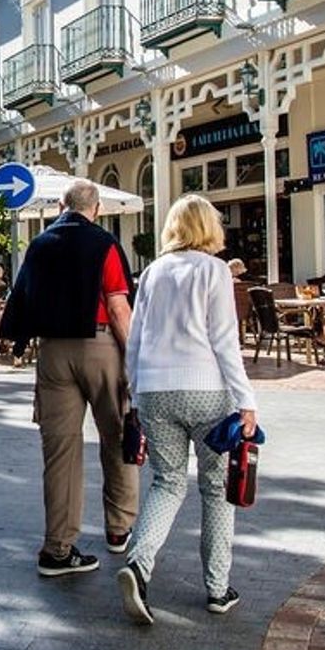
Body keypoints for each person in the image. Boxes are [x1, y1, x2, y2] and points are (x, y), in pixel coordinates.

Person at [115, 195, 258, 624]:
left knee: (167, 482)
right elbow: (224, 341)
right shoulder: (214, 270)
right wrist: (246, 399)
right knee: (215, 488)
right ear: (208, 228)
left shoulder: (154, 272)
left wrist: (136, 393)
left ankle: (139, 567)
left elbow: (135, 338)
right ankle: (217, 588)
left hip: (156, 390)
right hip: (205, 389)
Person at [0, 179, 138, 578]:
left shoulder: (40, 244)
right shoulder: (104, 243)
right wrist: (135, 359)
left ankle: (57, 548)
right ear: (96, 209)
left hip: (53, 352)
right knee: (117, 437)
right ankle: (119, 528)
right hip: (100, 348)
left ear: (62, 206)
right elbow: (116, 305)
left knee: (60, 451)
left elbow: (20, 298)